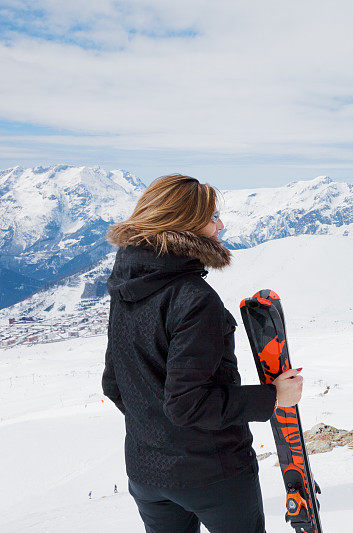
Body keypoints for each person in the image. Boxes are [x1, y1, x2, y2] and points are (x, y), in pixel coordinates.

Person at [102, 174, 303, 533]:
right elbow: (187, 405)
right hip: (213, 474)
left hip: (146, 474)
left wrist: (159, 435)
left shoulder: (125, 286)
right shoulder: (194, 300)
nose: (221, 225)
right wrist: (273, 397)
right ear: (186, 224)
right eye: (212, 217)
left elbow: (114, 384)